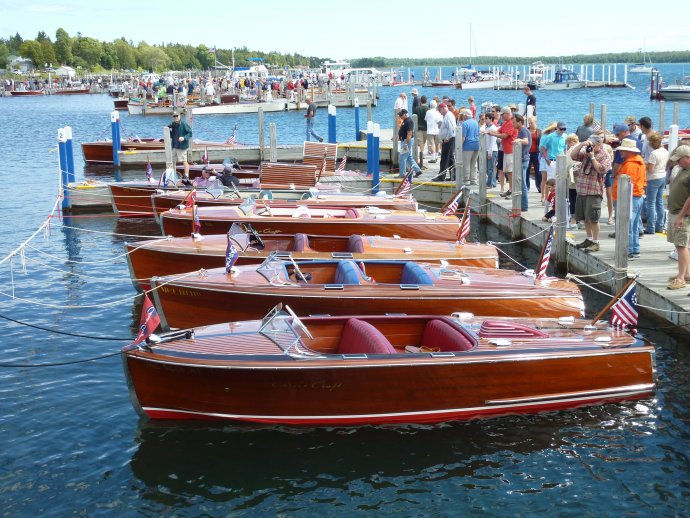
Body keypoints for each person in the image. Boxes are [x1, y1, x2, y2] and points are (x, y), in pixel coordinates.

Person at [571, 135, 611, 253]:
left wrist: (593, 158)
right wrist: (582, 144)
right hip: (582, 189)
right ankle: (588, 239)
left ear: (599, 144)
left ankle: (596, 242)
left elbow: (601, 170)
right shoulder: (585, 152)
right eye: (590, 145)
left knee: (593, 218)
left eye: (593, 145)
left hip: (594, 191)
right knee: (584, 218)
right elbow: (573, 155)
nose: (591, 147)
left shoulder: (605, 155)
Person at [617, 138, 647, 259]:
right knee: (634, 225)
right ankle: (635, 249)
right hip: (639, 195)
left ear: (629, 151)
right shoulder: (639, 161)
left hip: (631, 197)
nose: (621, 153)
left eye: (623, 150)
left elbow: (628, 182)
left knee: (627, 224)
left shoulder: (630, 164)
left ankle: (628, 251)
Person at [666, 145, 690, 290]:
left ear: (687, 158)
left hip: (682, 213)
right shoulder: (683, 170)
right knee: (680, 244)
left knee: (681, 245)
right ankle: (686, 273)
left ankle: (681, 278)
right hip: (675, 211)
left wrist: (681, 215)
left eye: (679, 160)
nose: (677, 163)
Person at [487, 107, 517, 197]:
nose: (501, 116)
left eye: (503, 115)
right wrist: (488, 131)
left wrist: (492, 134)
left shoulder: (511, 123)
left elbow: (505, 136)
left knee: (511, 172)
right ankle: (510, 189)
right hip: (505, 150)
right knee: (507, 171)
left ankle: (512, 190)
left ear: (507, 114)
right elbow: (498, 130)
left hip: (511, 150)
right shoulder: (505, 123)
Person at [644, 132, 669, 234]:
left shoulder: (653, 154)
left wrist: (644, 164)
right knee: (659, 202)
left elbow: (650, 169)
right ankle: (660, 225)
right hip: (662, 176)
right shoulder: (665, 151)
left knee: (651, 203)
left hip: (653, 178)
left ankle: (651, 227)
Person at [513, 114, 532, 211]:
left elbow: (526, 141)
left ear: (519, 122)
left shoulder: (523, 130)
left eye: (514, 122)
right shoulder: (522, 130)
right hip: (523, 159)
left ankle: (524, 206)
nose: (513, 124)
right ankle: (522, 204)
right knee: (521, 182)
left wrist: (519, 140)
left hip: (523, 159)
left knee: (522, 183)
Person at [397, 109, 422, 178]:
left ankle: (402, 174)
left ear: (405, 114)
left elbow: (409, 133)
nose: (400, 116)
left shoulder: (409, 121)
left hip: (406, 141)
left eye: (401, 115)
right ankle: (417, 170)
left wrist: (406, 143)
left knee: (402, 157)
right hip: (404, 140)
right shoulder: (405, 121)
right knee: (408, 157)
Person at [435, 102, 456, 181]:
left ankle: (441, 177)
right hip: (449, 139)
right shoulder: (446, 116)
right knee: (450, 158)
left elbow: (452, 128)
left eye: (440, 110)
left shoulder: (449, 116)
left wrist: (447, 138)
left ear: (443, 108)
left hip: (449, 139)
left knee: (444, 158)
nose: (440, 112)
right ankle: (453, 176)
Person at [169, 111, 192, 178]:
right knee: (173, 160)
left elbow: (190, 133)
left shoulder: (184, 124)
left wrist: (184, 138)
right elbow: (172, 135)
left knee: (184, 160)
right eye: (174, 116)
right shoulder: (173, 124)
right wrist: (168, 130)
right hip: (174, 146)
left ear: (180, 116)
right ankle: (173, 173)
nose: (176, 117)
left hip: (182, 146)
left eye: (177, 116)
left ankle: (186, 175)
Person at [459, 108, 480, 185]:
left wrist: (459, 146)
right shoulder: (476, 122)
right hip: (476, 144)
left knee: (466, 163)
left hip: (468, 145)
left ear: (465, 115)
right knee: (474, 163)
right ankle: (474, 179)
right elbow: (478, 134)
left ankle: (466, 179)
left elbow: (463, 137)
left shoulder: (465, 124)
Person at [414, 95, 429, 168]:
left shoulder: (417, 109)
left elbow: (414, 118)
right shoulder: (427, 109)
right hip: (426, 129)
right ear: (426, 101)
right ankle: (421, 157)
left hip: (419, 128)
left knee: (420, 144)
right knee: (423, 144)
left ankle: (420, 157)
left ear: (420, 101)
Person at [527, 115, 541, 192]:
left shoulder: (539, 132)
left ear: (535, 122)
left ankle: (539, 186)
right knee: (527, 170)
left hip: (536, 154)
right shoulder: (526, 131)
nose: (530, 124)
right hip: (528, 153)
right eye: (529, 123)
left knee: (538, 171)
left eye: (531, 122)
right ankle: (527, 187)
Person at [484, 112, 499, 188]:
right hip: (488, 149)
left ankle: (490, 183)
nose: (485, 120)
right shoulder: (487, 127)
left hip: (492, 150)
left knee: (490, 168)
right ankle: (491, 182)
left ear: (490, 119)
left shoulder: (493, 128)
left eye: (486, 118)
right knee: (488, 168)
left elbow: (493, 141)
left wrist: (489, 152)